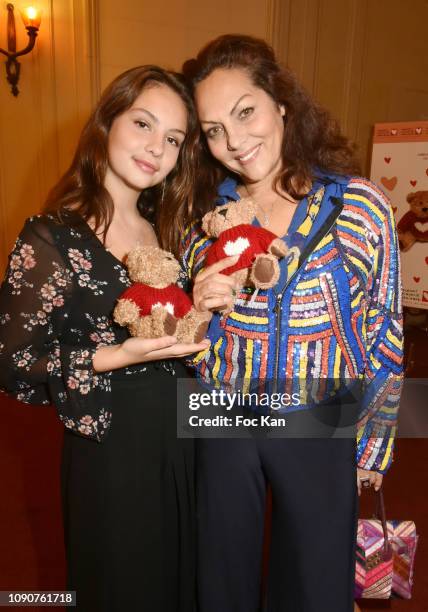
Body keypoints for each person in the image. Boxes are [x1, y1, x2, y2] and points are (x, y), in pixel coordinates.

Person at [180, 35, 403, 612]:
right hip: (222, 408)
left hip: (321, 406)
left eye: (245, 112)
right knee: (219, 573)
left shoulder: (359, 206)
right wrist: (198, 312)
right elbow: (181, 342)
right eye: (213, 130)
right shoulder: (207, 220)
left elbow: (385, 330)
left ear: (281, 102)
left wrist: (372, 445)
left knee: (314, 582)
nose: (234, 142)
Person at [0, 66, 210, 611]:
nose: (155, 148)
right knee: (121, 585)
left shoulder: (169, 230)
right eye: (142, 123)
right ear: (106, 123)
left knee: (180, 581)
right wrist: (117, 354)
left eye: (172, 139)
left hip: (185, 431)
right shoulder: (51, 234)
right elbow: (13, 360)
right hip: (112, 443)